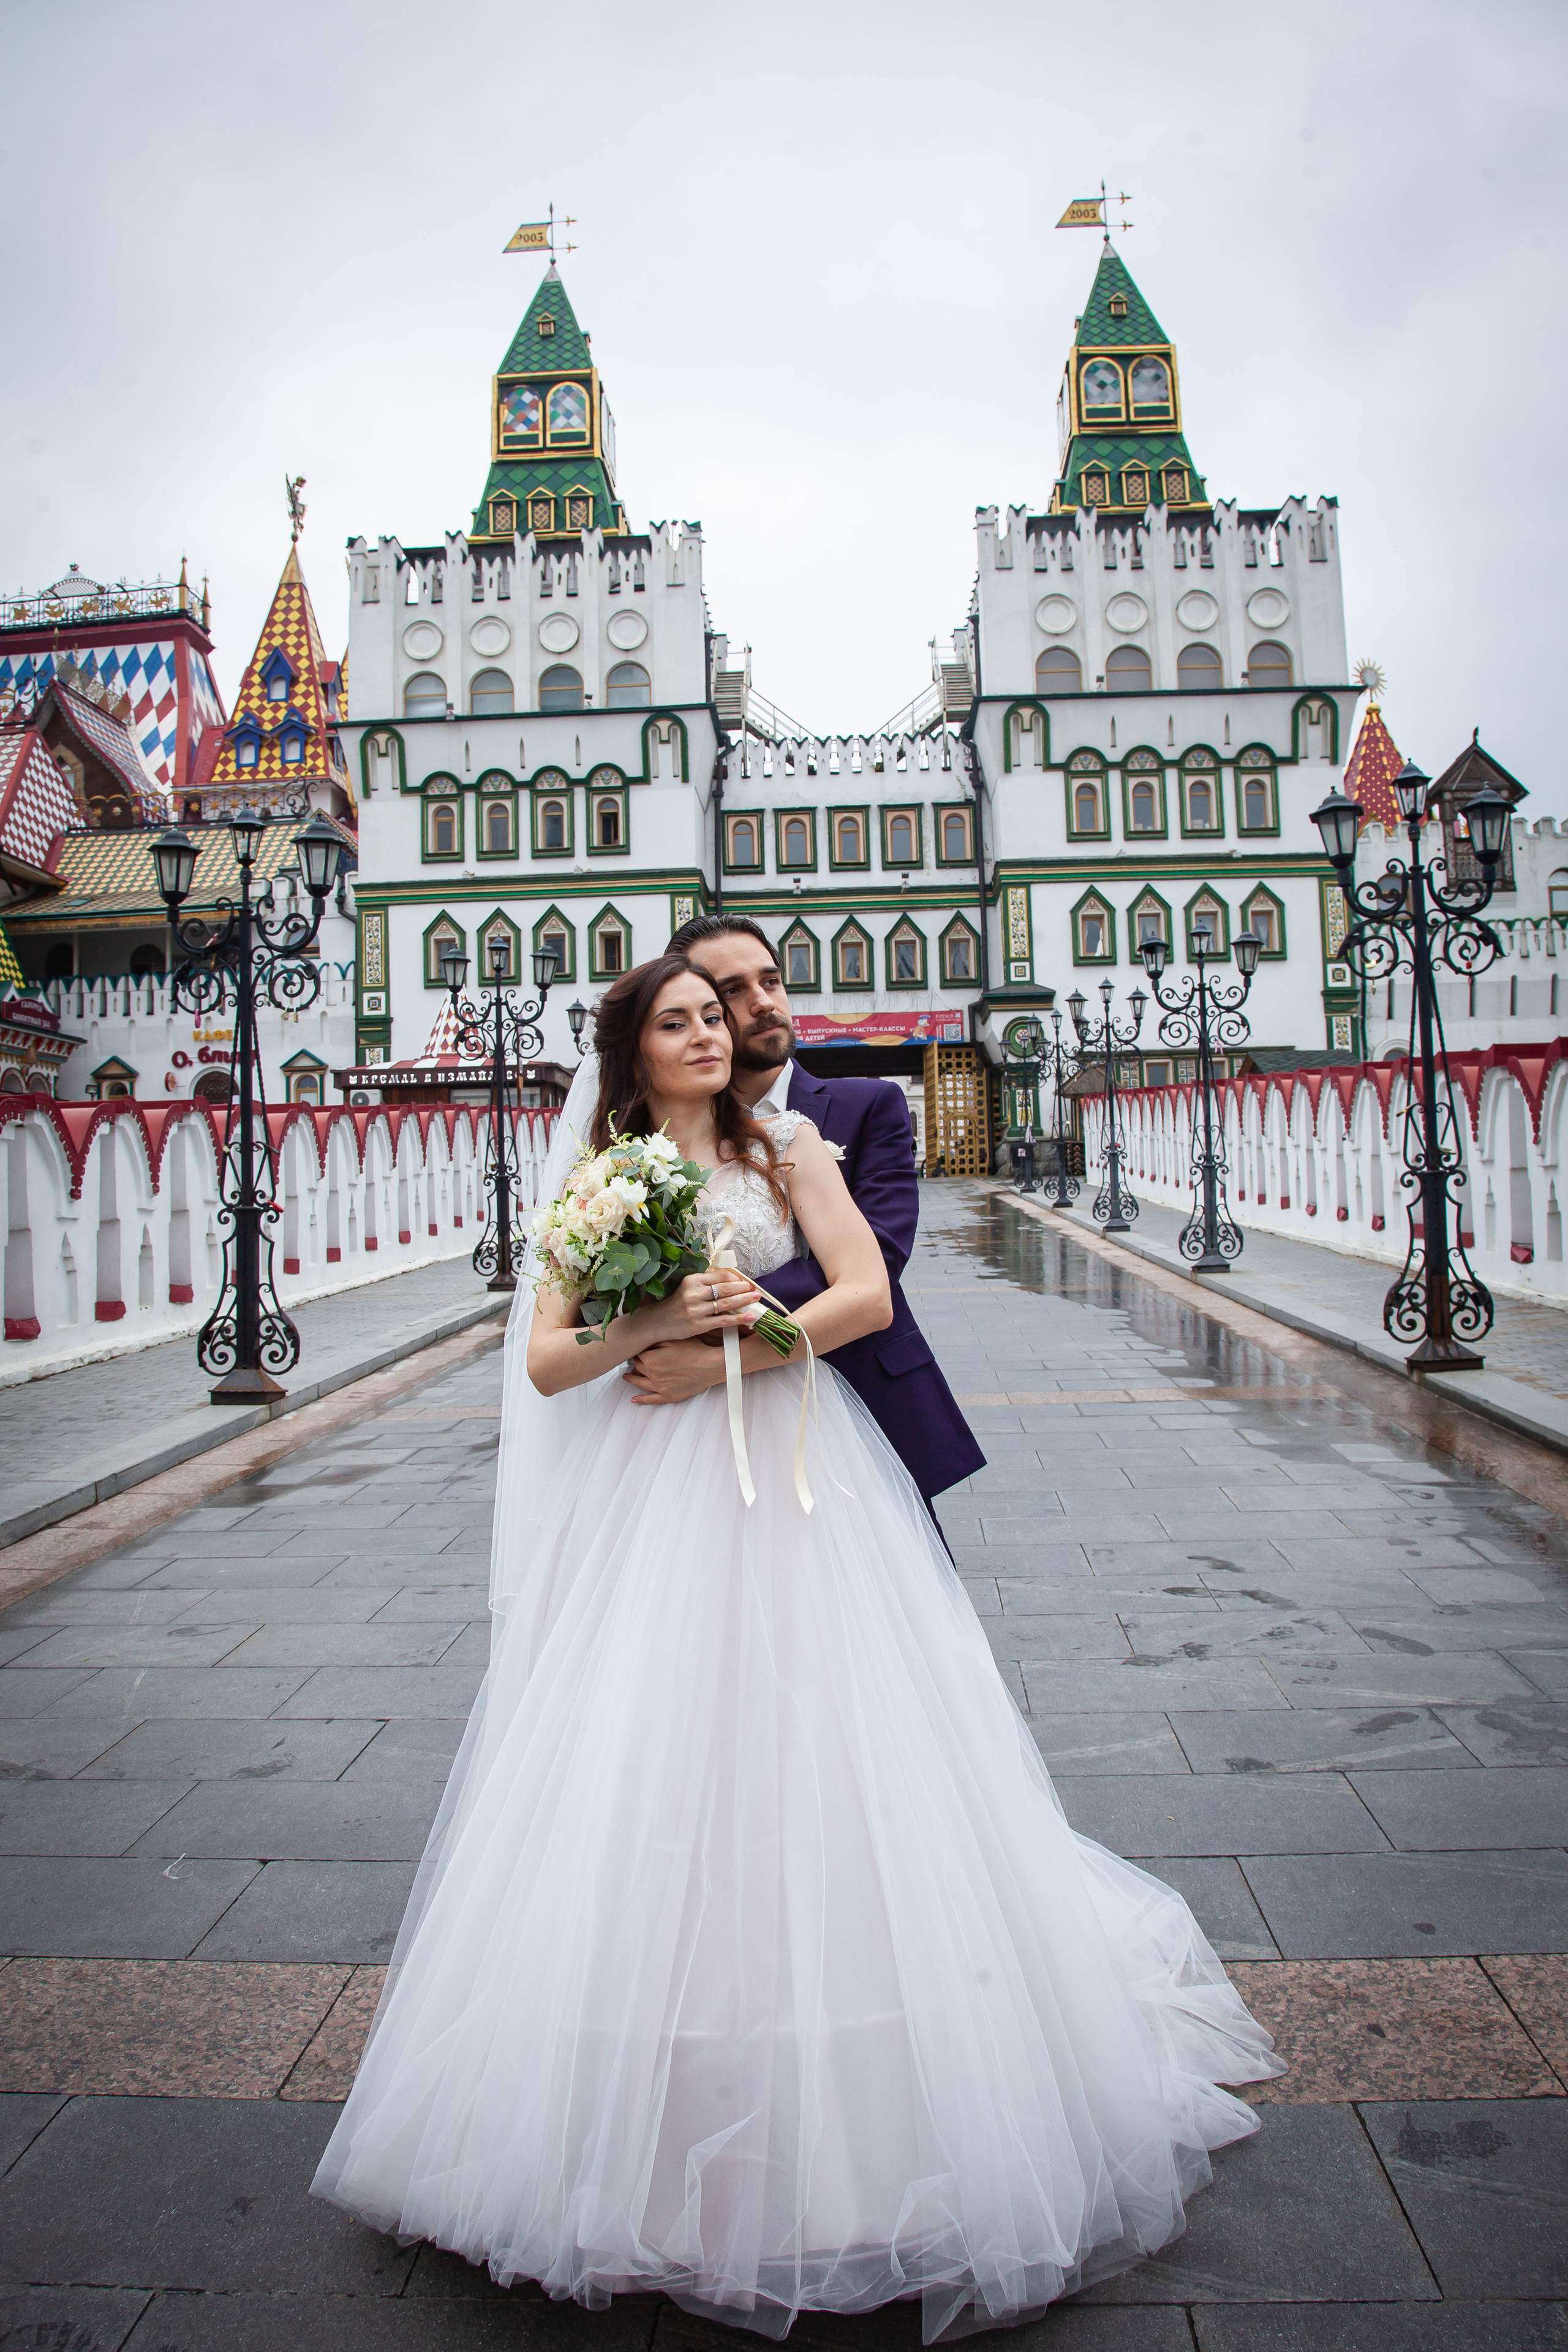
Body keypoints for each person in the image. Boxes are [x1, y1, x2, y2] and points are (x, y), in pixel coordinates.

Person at [312, 954, 1281, 2341]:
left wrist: (737, 1348)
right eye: (678, 1019)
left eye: (716, 1015)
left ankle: (869, 2109)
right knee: (656, 1763)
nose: (708, 1032)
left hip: (798, 1474)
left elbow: (863, 1294)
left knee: (831, 1746)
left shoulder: (795, 1148)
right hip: (650, 1498)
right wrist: (654, 1321)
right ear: (631, 1050)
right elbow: (544, 1357)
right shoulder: (604, 1182)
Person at [628, 911, 983, 1508]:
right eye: (733, 992)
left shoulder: (867, 1105)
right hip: (698, 1424)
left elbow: (878, 1260)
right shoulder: (646, 1154)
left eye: (771, 981)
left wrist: (705, 1332)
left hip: (858, 1391)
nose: (764, 1002)